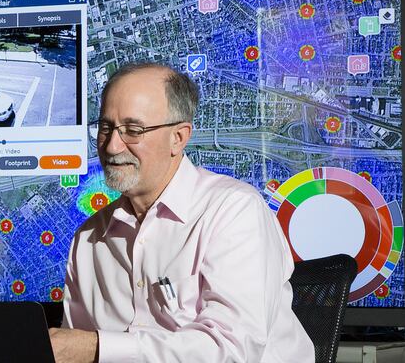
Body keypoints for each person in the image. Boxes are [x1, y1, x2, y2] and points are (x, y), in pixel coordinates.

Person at [49, 63, 313, 362]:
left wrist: (99, 348)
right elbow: (73, 350)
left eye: (133, 131)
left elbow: (232, 351)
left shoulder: (234, 211)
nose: (111, 146)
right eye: (106, 127)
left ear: (179, 137)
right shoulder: (89, 238)